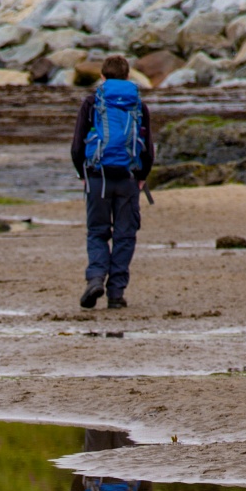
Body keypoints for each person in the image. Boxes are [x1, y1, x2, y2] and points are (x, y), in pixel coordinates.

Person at [72, 54, 153, 310]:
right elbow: (148, 149)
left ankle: (95, 278)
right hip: (128, 178)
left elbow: (77, 146)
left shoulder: (92, 101)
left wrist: (82, 175)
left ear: (102, 77)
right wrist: (142, 177)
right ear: (129, 76)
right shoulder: (138, 104)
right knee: (125, 235)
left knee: (97, 232)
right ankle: (116, 294)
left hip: (98, 177)